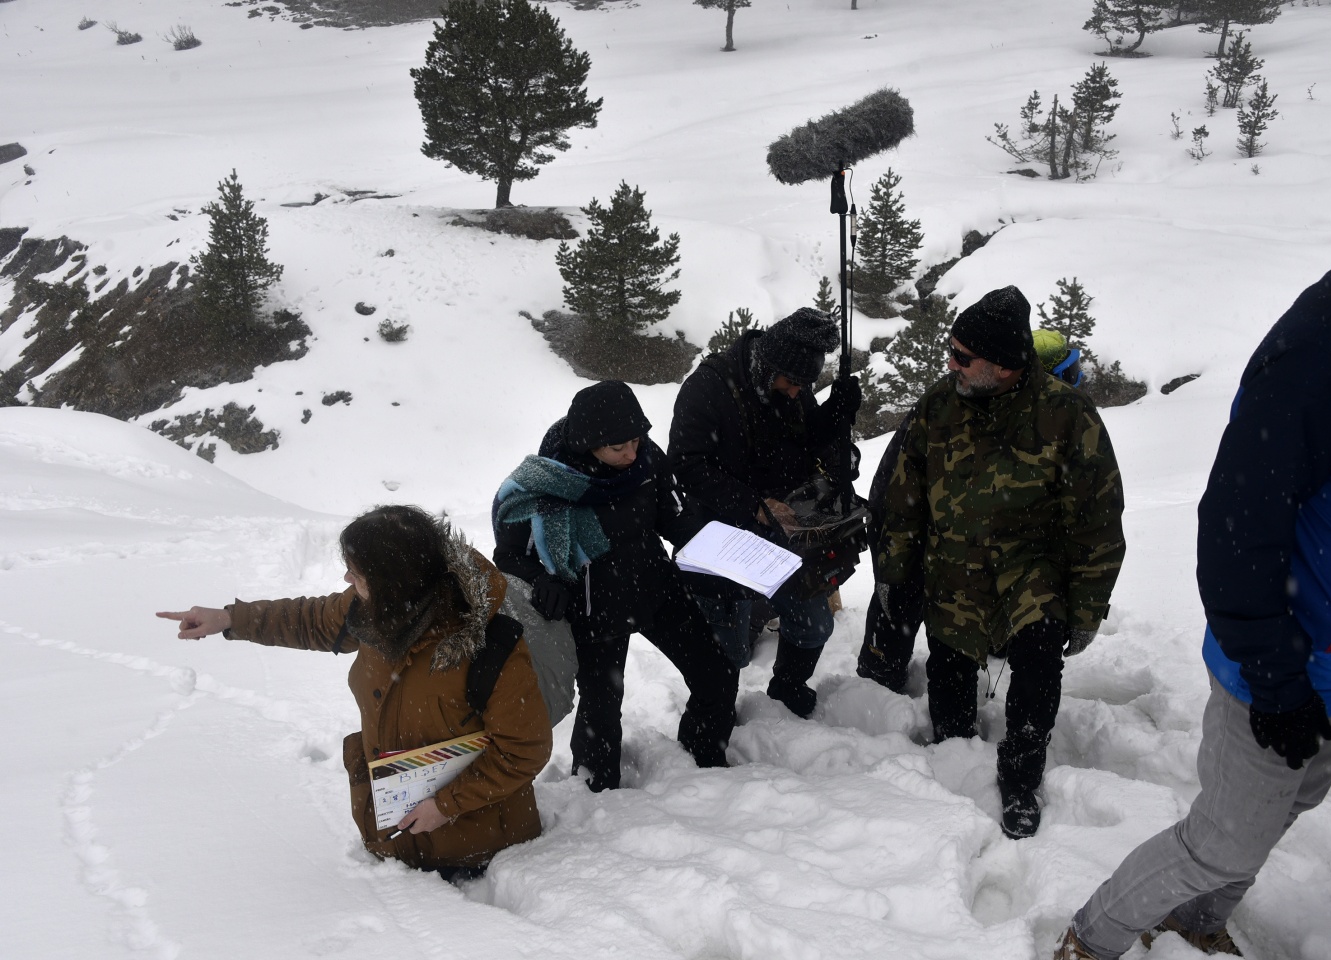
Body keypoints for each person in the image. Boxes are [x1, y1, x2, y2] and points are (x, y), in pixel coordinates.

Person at [1055, 103, 1331, 959]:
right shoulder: (1327, 344)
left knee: (1282, 812)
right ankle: (1093, 938)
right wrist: (1275, 679)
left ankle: (1196, 921)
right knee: (1221, 837)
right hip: (1290, 660)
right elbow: (1237, 528)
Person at [157, 506, 552, 880]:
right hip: (395, 837)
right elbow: (310, 619)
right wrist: (229, 618)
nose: (348, 580)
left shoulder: (489, 648)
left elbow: (523, 750)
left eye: (357, 572)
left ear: (394, 579)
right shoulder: (378, 609)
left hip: (477, 850)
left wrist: (445, 806)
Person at [873, 286, 1126, 839]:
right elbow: (901, 499)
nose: (950, 363)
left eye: (963, 356)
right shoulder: (938, 406)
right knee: (950, 672)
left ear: (1004, 365)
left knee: (1038, 660)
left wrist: (1085, 610)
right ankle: (953, 765)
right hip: (953, 565)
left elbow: (1096, 522)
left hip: (1028, 567)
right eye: (951, 350)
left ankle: (1021, 777)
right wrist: (893, 573)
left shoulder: (1067, 416)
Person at [492, 379, 738, 793]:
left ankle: (703, 759)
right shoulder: (544, 483)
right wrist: (541, 580)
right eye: (618, 447)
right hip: (592, 608)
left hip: (655, 588)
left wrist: (725, 552)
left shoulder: (646, 461)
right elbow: (508, 556)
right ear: (589, 443)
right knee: (601, 710)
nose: (632, 453)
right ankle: (597, 791)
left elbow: (672, 518)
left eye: (637, 441)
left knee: (717, 674)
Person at [856, 328, 1088, 694]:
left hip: (959, 538)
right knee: (903, 594)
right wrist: (893, 563)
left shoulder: (1040, 415)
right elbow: (903, 489)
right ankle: (879, 674)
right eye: (1068, 376)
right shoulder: (962, 405)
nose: (1074, 385)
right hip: (914, 521)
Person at [668, 307, 863, 717]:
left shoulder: (791, 386)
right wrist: (753, 505)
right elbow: (686, 464)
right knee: (726, 649)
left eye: (804, 385)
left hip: (784, 529)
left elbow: (807, 439)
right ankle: (711, 719)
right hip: (720, 533)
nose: (797, 392)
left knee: (814, 623)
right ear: (767, 368)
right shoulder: (706, 389)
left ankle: (788, 688)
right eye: (792, 383)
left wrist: (836, 415)